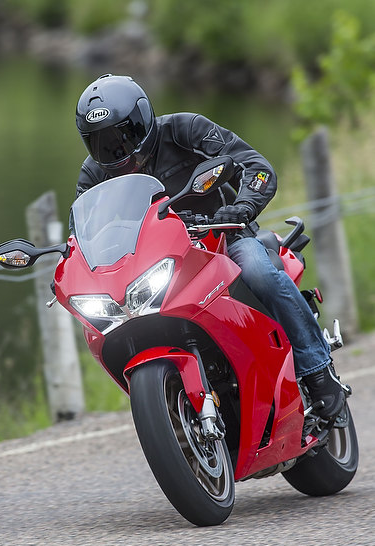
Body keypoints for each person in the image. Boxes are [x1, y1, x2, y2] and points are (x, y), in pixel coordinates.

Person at [74, 73, 346, 420]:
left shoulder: (186, 131)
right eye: (102, 143)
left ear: (142, 120)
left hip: (222, 240)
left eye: (123, 136)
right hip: (156, 263)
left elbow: (256, 167)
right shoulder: (93, 175)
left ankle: (317, 371)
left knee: (258, 271)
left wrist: (242, 207)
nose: (117, 149)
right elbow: (83, 232)